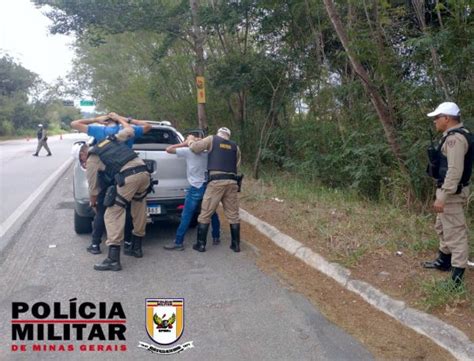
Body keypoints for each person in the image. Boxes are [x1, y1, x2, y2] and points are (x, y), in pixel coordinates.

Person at [71, 113, 151, 255]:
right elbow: (145, 127)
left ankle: (105, 251)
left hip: (115, 177)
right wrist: (126, 119)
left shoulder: (99, 135)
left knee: (108, 212)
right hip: (141, 172)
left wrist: (95, 119)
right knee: (132, 211)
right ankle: (132, 246)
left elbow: (74, 123)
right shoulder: (123, 133)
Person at [423, 102, 472, 286]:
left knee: (455, 233)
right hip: (449, 190)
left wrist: (442, 197)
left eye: (437, 117)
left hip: (451, 193)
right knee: (442, 227)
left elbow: (454, 170)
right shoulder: (453, 136)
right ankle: (443, 261)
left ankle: (456, 278)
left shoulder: (455, 140)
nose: (435, 121)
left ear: (447, 118)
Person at [188, 127, 242, 253]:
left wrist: (191, 140)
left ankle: (200, 244)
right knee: (233, 214)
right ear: (228, 136)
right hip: (232, 182)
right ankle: (236, 245)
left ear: (219, 134)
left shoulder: (212, 138)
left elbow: (195, 148)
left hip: (216, 182)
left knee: (206, 213)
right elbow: (236, 164)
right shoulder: (235, 146)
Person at [163, 136, 220, 251]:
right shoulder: (208, 153)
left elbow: (168, 149)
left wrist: (184, 143)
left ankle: (179, 242)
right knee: (212, 212)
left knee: (186, 215)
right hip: (208, 186)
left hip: (195, 187)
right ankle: (216, 236)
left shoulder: (188, 151)